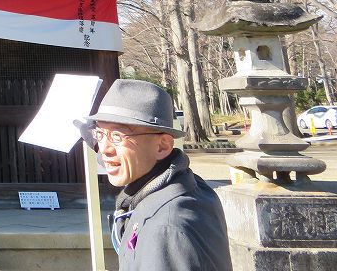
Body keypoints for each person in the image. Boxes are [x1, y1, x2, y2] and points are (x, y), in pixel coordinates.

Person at [77, 79, 232, 271]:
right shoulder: (188, 184)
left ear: (163, 146)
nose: (104, 149)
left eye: (117, 136)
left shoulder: (164, 229)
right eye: (100, 134)